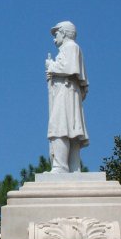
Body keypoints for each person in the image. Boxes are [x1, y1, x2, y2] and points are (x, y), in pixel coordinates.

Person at [45, 21, 89, 173]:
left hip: (66, 92)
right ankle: (72, 166)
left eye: (56, 34)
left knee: (61, 127)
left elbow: (69, 68)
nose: (54, 38)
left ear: (63, 33)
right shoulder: (68, 49)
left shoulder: (71, 47)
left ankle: (61, 166)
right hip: (65, 92)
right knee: (68, 129)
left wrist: (51, 66)